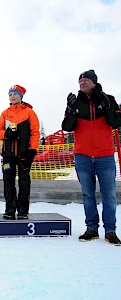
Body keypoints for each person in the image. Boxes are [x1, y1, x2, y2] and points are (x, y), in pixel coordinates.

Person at [62, 69, 121, 245]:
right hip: (83, 156)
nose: (82, 82)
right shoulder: (75, 102)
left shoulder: (108, 99)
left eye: (86, 79)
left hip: (105, 156)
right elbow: (67, 126)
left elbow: (117, 122)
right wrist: (71, 110)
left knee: (109, 195)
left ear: (94, 82)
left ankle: (110, 230)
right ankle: (91, 229)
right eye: (80, 80)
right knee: (88, 194)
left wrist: (109, 107)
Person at [0, 85, 40, 220]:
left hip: (24, 153)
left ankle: (22, 211)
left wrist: (32, 150)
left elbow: (35, 132)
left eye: (15, 94)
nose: (12, 97)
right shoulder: (5, 113)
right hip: (8, 154)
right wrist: (6, 134)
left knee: (24, 182)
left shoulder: (30, 113)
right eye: (10, 94)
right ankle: (9, 210)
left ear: (21, 96)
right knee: (8, 182)